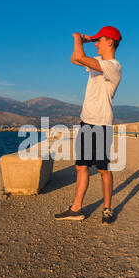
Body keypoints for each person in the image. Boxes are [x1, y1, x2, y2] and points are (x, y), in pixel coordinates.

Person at [54, 26, 122, 224]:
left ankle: (107, 208)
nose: (96, 43)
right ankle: (76, 209)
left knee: (102, 169)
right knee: (81, 166)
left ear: (110, 41)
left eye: (98, 40)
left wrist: (78, 38)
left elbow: (81, 57)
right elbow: (75, 59)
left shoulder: (113, 66)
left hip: (101, 124)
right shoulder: (98, 62)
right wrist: (81, 43)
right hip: (86, 121)